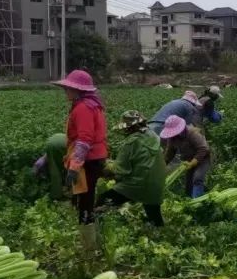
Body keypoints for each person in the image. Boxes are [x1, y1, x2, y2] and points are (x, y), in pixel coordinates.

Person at [54, 70, 108, 251]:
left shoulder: (84, 108)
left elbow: (85, 139)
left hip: (88, 160)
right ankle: (89, 242)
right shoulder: (90, 105)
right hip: (93, 157)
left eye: (68, 88)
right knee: (84, 199)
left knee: (85, 202)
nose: (65, 91)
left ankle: (89, 248)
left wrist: (74, 166)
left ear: (78, 90)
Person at [100, 110, 166, 226]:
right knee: (153, 212)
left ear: (129, 128)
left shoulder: (131, 142)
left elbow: (120, 170)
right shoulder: (153, 135)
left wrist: (106, 165)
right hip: (158, 182)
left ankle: (97, 226)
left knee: (104, 200)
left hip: (140, 183)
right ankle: (159, 230)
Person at [159, 115, 211, 198]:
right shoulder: (172, 138)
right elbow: (170, 152)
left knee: (197, 178)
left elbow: (203, 149)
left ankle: (197, 202)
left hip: (203, 159)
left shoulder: (192, 133)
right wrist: (162, 166)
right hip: (189, 160)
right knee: (189, 185)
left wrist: (193, 163)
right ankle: (199, 195)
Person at [32, 133, 68, 200]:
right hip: (63, 140)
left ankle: (56, 195)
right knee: (58, 170)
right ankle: (57, 196)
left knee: (55, 170)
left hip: (52, 141)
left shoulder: (47, 157)